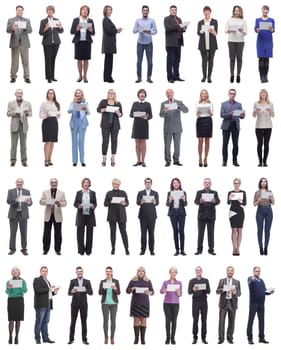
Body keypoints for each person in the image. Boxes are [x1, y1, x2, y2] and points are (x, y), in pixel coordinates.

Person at [159, 89, 188, 166]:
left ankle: (176, 160)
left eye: (170, 93)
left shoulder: (179, 102)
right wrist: (164, 111)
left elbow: (186, 110)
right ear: (166, 95)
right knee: (167, 145)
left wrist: (179, 107)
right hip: (167, 127)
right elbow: (161, 115)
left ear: (173, 93)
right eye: (167, 93)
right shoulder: (163, 103)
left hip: (177, 127)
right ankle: (168, 161)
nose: (169, 94)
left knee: (177, 145)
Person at [126, 267, 154, 345]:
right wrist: (131, 289)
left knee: (143, 321)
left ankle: (142, 339)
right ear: (137, 272)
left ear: (144, 272)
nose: (141, 272)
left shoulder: (148, 281)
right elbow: (127, 290)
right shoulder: (133, 280)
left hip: (144, 303)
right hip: (135, 303)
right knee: (136, 320)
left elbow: (153, 291)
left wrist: (149, 292)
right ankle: (136, 339)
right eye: (139, 271)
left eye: (142, 271)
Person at [247, 266, 274, 345]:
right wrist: (252, 280)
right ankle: (250, 338)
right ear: (253, 271)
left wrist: (269, 292)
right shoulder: (251, 278)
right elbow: (250, 282)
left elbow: (264, 291)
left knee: (262, 321)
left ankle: (261, 338)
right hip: (253, 303)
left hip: (261, 304)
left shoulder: (261, 280)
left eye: (259, 271)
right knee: (251, 320)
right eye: (256, 271)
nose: (257, 272)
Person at [39, 178, 67, 255]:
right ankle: (45, 249)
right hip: (48, 215)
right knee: (46, 233)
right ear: (50, 183)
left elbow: (64, 203)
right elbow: (41, 202)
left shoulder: (62, 193)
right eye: (52, 182)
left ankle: (58, 250)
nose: (54, 184)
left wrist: (59, 204)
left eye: (55, 182)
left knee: (58, 233)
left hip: (57, 215)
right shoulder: (45, 192)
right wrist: (48, 201)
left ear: (57, 183)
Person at [194, 177, 220, 255]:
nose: (207, 183)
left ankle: (211, 249)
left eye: (208, 182)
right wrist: (200, 201)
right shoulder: (199, 192)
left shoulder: (214, 192)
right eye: (205, 182)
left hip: (211, 215)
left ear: (211, 184)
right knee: (200, 233)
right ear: (203, 184)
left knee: (211, 233)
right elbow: (195, 201)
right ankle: (199, 249)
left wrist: (215, 201)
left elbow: (218, 201)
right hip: (201, 215)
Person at [33, 266, 59, 344]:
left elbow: (48, 293)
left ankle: (45, 338)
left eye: (46, 271)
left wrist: (54, 292)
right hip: (40, 304)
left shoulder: (47, 281)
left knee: (46, 322)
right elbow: (37, 290)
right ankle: (37, 338)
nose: (45, 272)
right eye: (43, 271)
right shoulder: (37, 280)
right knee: (39, 322)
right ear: (40, 272)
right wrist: (49, 288)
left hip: (48, 303)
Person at [6, 5, 32, 83]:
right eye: (18, 10)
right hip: (15, 43)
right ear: (16, 11)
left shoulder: (27, 20)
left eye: (21, 10)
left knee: (26, 61)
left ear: (23, 11)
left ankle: (27, 77)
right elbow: (7, 30)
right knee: (14, 61)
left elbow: (30, 30)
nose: (19, 11)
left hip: (24, 43)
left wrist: (25, 28)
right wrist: (12, 28)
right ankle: (13, 76)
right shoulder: (11, 20)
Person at [97, 89, 123, 166]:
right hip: (105, 125)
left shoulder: (118, 103)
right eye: (110, 93)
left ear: (115, 95)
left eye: (113, 93)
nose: (111, 94)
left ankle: (113, 157)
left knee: (114, 141)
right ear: (108, 94)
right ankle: (104, 157)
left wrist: (118, 113)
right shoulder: (103, 102)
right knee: (105, 141)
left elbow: (121, 114)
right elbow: (98, 109)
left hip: (115, 125)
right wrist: (103, 109)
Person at [68, 266, 93, 345]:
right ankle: (71, 339)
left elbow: (91, 292)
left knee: (84, 322)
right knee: (73, 322)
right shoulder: (72, 281)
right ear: (76, 272)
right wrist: (72, 291)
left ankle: (84, 339)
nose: (79, 272)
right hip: (74, 304)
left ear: (83, 272)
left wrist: (85, 289)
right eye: (78, 271)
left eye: (81, 271)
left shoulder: (87, 281)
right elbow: (69, 293)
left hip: (83, 305)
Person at [7, 89, 32, 167]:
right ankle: (13, 160)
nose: (19, 94)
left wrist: (27, 113)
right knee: (13, 144)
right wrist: (16, 112)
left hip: (24, 125)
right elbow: (8, 113)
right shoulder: (10, 103)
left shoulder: (28, 103)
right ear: (15, 94)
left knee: (23, 144)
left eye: (21, 93)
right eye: (18, 93)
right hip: (14, 125)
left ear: (22, 94)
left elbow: (31, 113)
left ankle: (24, 160)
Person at [7, 178, 32, 256]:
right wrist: (15, 200)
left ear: (23, 183)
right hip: (13, 215)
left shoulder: (27, 191)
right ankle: (12, 249)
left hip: (23, 215)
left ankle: (24, 249)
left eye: (20, 182)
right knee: (13, 233)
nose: (19, 183)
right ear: (16, 183)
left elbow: (31, 203)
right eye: (18, 182)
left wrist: (29, 202)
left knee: (24, 233)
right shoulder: (11, 191)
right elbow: (8, 201)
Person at [104, 178, 129, 255]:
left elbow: (127, 203)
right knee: (113, 233)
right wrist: (110, 201)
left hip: (121, 216)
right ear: (112, 184)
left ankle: (126, 248)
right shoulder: (109, 193)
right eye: (115, 184)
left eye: (117, 184)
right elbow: (105, 204)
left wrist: (125, 203)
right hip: (112, 216)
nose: (116, 185)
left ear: (119, 185)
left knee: (123, 232)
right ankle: (113, 248)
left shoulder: (123, 192)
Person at [220, 88, 245, 167]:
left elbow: (241, 116)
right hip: (226, 125)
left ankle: (235, 160)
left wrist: (242, 115)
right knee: (225, 144)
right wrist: (230, 113)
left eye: (234, 94)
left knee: (235, 144)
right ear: (228, 94)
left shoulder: (239, 104)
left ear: (235, 95)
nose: (232, 95)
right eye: (231, 93)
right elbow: (222, 115)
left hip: (235, 125)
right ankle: (224, 161)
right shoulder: (223, 104)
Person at [216, 266, 241, 344]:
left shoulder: (237, 282)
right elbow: (217, 291)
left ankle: (230, 337)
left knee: (232, 322)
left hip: (232, 304)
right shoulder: (222, 281)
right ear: (226, 272)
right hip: (223, 303)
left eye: (231, 271)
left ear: (233, 272)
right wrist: (223, 289)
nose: (230, 272)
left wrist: (235, 292)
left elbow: (239, 293)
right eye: (229, 270)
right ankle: (221, 338)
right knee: (221, 321)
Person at [133, 5, 157, 83]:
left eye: (146, 10)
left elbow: (155, 31)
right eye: (144, 10)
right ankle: (139, 77)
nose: (145, 11)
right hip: (140, 43)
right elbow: (134, 31)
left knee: (150, 61)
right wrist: (138, 29)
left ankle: (149, 77)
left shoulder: (152, 20)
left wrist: (147, 31)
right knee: (139, 61)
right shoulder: (138, 20)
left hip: (149, 43)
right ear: (142, 11)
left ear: (148, 11)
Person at [39, 5, 64, 83]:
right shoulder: (43, 21)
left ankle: (52, 76)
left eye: (51, 10)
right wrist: (45, 28)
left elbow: (61, 31)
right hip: (47, 43)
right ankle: (48, 77)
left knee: (53, 59)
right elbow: (40, 33)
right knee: (48, 60)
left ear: (53, 11)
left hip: (56, 42)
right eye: (48, 10)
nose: (50, 11)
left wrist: (60, 27)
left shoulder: (57, 20)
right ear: (47, 11)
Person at [71, 5, 95, 83]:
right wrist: (77, 29)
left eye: (86, 10)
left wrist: (91, 30)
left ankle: (85, 76)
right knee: (79, 59)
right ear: (80, 11)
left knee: (86, 60)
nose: (85, 11)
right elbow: (71, 31)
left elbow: (93, 33)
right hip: (78, 42)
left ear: (88, 12)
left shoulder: (90, 20)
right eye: (83, 10)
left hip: (87, 42)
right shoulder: (76, 20)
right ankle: (80, 76)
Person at [73, 178, 97, 256]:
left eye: (87, 182)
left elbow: (95, 203)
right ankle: (81, 250)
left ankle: (88, 251)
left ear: (89, 184)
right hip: (81, 215)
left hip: (90, 215)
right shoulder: (79, 193)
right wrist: (78, 206)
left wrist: (93, 206)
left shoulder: (93, 193)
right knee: (80, 233)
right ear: (82, 184)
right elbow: (75, 203)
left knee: (90, 234)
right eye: (84, 182)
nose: (86, 184)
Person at [164, 5, 187, 83]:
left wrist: (184, 28)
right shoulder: (167, 19)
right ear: (170, 11)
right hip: (170, 43)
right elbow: (168, 28)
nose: (174, 11)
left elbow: (180, 29)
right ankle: (170, 77)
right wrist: (178, 26)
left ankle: (176, 76)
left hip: (179, 42)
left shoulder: (179, 19)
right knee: (170, 61)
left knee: (177, 60)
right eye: (172, 10)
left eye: (175, 10)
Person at [188, 266, 210, 345]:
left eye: (200, 270)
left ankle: (203, 338)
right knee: (195, 320)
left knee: (204, 320)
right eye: (197, 270)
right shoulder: (192, 281)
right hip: (195, 302)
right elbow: (189, 292)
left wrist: (204, 288)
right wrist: (193, 289)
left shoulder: (206, 280)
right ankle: (195, 337)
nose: (198, 272)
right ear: (195, 272)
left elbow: (209, 291)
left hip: (204, 302)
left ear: (202, 271)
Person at [130, 89, 153, 167]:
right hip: (136, 125)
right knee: (137, 144)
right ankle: (138, 160)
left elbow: (151, 115)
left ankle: (143, 161)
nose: (142, 95)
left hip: (144, 125)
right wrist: (135, 114)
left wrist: (147, 117)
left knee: (143, 143)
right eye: (140, 94)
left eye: (143, 94)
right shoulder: (135, 103)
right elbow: (130, 114)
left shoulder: (147, 104)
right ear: (138, 95)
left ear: (145, 95)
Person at [136, 177, 159, 255]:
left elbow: (157, 202)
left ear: (151, 183)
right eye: (146, 182)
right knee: (143, 234)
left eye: (149, 182)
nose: (148, 183)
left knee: (151, 234)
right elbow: (137, 202)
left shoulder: (155, 193)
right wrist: (141, 202)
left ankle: (152, 250)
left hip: (152, 216)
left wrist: (155, 202)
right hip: (143, 216)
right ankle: (143, 250)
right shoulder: (140, 192)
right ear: (145, 183)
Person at [98, 266, 121, 345]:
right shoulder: (102, 281)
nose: (108, 272)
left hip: (114, 304)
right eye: (107, 271)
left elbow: (119, 293)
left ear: (112, 272)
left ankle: (112, 337)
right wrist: (104, 288)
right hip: (105, 304)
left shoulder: (116, 281)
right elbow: (99, 293)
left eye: (109, 271)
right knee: (105, 321)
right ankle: (106, 337)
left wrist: (115, 289)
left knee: (113, 321)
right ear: (105, 272)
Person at [225, 5, 247, 83]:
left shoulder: (243, 21)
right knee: (232, 59)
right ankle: (232, 75)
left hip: (240, 42)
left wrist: (242, 31)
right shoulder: (229, 20)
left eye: (238, 10)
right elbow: (225, 31)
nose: (237, 12)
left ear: (240, 12)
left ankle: (238, 75)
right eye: (235, 10)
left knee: (239, 59)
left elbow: (245, 33)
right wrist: (230, 30)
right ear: (233, 11)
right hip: (231, 41)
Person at [68, 89, 90, 167]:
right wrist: (75, 106)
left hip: (82, 123)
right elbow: (69, 110)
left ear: (81, 94)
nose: (78, 94)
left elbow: (88, 113)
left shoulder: (85, 103)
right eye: (76, 93)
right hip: (74, 122)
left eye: (79, 93)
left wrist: (85, 109)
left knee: (81, 141)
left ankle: (82, 161)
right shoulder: (72, 103)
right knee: (74, 142)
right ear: (75, 95)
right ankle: (74, 161)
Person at [160, 267, 182, 345]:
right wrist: (164, 290)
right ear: (169, 273)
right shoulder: (165, 282)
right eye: (171, 272)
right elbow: (161, 291)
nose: (173, 273)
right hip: (167, 303)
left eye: (174, 272)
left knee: (174, 320)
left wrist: (178, 291)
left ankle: (173, 338)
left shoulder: (179, 283)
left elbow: (179, 295)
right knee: (167, 320)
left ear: (176, 273)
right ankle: (167, 338)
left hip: (176, 304)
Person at [6, 266, 27, 345]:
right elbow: (7, 292)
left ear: (19, 272)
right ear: (12, 273)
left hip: (19, 300)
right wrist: (9, 288)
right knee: (11, 319)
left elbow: (25, 290)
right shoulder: (9, 281)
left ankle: (17, 337)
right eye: (13, 271)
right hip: (11, 300)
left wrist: (20, 286)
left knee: (18, 319)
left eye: (16, 270)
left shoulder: (23, 281)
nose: (15, 272)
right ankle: (10, 336)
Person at [253, 89, 274, 166]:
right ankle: (260, 161)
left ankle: (265, 161)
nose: (263, 95)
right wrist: (256, 111)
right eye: (262, 93)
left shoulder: (270, 103)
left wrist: (270, 111)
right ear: (260, 95)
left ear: (266, 95)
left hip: (268, 126)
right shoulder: (256, 103)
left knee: (266, 144)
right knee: (259, 144)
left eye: (264, 93)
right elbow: (254, 115)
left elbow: (273, 115)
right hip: (259, 126)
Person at [39, 89, 61, 167]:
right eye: (49, 93)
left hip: (54, 122)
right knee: (47, 141)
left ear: (54, 95)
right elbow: (40, 114)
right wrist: (45, 115)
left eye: (52, 93)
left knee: (52, 142)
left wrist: (58, 115)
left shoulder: (57, 103)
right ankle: (46, 160)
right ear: (47, 94)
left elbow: (58, 113)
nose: (51, 94)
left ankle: (50, 159)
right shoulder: (44, 103)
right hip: (47, 122)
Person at [166, 178, 187, 256]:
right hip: (173, 213)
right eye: (174, 183)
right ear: (172, 184)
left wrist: (184, 200)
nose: (176, 184)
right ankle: (177, 250)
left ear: (179, 184)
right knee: (175, 231)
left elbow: (186, 204)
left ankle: (182, 250)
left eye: (177, 183)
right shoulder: (169, 193)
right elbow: (167, 204)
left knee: (181, 231)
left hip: (181, 213)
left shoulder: (183, 192)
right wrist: (170, 200)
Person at [253, 177, 274, 255]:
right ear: (260, 183)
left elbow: (273, 202)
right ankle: (260, 247)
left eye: (265, 182)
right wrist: (258, 201)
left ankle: (266, 248)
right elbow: (254, 204)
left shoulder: (269, 191)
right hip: (260, 210)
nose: (264, 183)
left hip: (269, 210)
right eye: (262, 182)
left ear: (266, 183)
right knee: (260, 230)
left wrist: (271, 198)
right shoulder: (257, 192)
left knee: (267, 230)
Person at [197, 6, 218, 83]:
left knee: (211, 60)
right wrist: (202, 30)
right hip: (203, 44)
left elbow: (216, 33)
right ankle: (204, 76)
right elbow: (198, 33)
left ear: (210, 12)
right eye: (205, 12)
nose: (206, 13)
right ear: (203, 13)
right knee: (204, 61)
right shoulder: (200, 22)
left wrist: (212, 31)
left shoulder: (214, 21)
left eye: (208, 12)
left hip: (212, 44)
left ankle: (209, 77)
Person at [102, 5, 122, 83]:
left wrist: (116, 30)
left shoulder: (108, 19)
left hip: (110, 43)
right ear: (105, 11)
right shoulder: (105, 20)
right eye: (108, 10)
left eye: (111, 10)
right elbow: (108, 31)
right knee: (108, 61)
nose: (110, 11)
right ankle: (108, 77)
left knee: (109, 61)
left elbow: (110, 30)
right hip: (108, 44)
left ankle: (107, 77)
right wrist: (116, 30)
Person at [255, 5, 275, 83]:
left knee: (266, 60)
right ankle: (261, 77)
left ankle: (266, 76)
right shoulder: (258, 20)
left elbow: (273, 30)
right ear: (262, 10)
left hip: (268, 41)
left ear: (268, 11)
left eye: (266, 10)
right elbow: (256, 29)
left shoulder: (271, 20)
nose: (265, 11)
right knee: (261, 59)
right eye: (264, 10)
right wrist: (258, 29)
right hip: (260, 41)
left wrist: (271, 29)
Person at [227, 178, 247, 256]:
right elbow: (228, 203)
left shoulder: (243, 192)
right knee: (233, 230)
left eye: (238, 183)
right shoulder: (230, 192)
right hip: (232, 212)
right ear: (233, 184)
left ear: (240, 184)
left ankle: (238, 248)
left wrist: (241, 201)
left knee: (240, 230)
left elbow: (245, 203)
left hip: (240, 212)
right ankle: (234, 248)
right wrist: (229, 198)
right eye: (235, 183)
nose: (236, 184)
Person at [196, 89, 213, 167]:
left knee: (207, 141)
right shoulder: (197, 103)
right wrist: (198, 113)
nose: (203, 94)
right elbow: (196, 113)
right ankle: (199, 158)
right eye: (202, 93)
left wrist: (210, 112)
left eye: (205, 93)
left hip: (208, 121)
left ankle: (205, 158)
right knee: (200, 141)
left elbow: (212, 113)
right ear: (200, 94)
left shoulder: (210, 103)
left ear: (207, 95)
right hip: (200, 121)